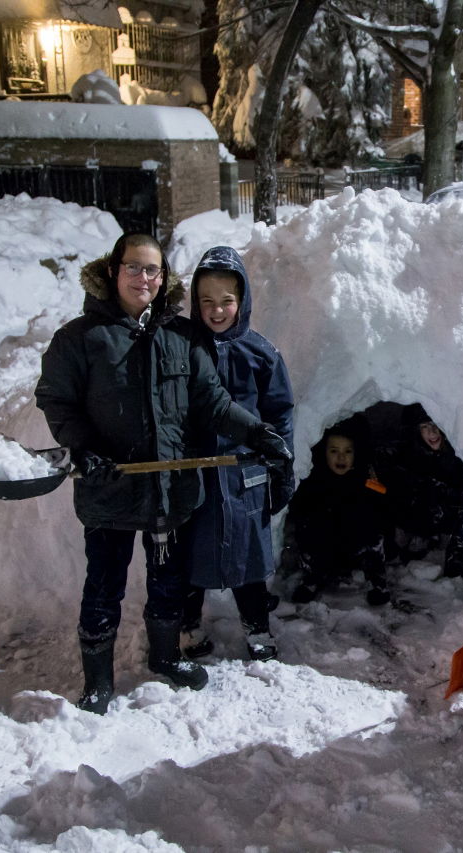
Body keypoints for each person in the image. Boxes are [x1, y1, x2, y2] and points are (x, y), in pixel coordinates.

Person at [35, 233, 292, 715]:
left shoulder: (180, 335)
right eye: (134, 267)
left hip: (168, 489)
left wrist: (259, 434)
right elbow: (56, 399)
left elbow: (213, 402)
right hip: (110, 487)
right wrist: (83, 448)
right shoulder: (79, 338)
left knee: (167, 581)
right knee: (104, 583)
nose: (144, 278)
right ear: (113, 271)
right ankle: (97, 681)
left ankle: (166, 655)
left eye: (153, 270)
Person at [179, 246, 295, 663]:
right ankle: (187, 627)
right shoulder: (182, 348)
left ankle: (257, 628)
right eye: (206, 301)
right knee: (189, 555)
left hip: (245, 475)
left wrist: (282, 463)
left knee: (248, 558)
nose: (217, 310)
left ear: (242, 300)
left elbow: (279, 411)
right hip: (194, 472)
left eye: (226, 300)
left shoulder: (261, 352)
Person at [288, 416, 392, 606]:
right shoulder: (315, 480)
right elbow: (299, 513)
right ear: (324, 453)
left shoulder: (365, 479)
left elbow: (384, 512)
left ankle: (376, 580)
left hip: (357, 550)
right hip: (327, 550)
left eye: (348, 451)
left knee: (372, 527)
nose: (341, 457)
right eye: (334, 451)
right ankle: (313, 577)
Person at [378, 403, 463, 582]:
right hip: (421, 518)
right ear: (417, 431)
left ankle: (456, 560)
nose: (432, 432)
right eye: (425, 427)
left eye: (436, 425)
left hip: (448, 519)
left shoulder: (456, 454)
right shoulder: (411, 455)